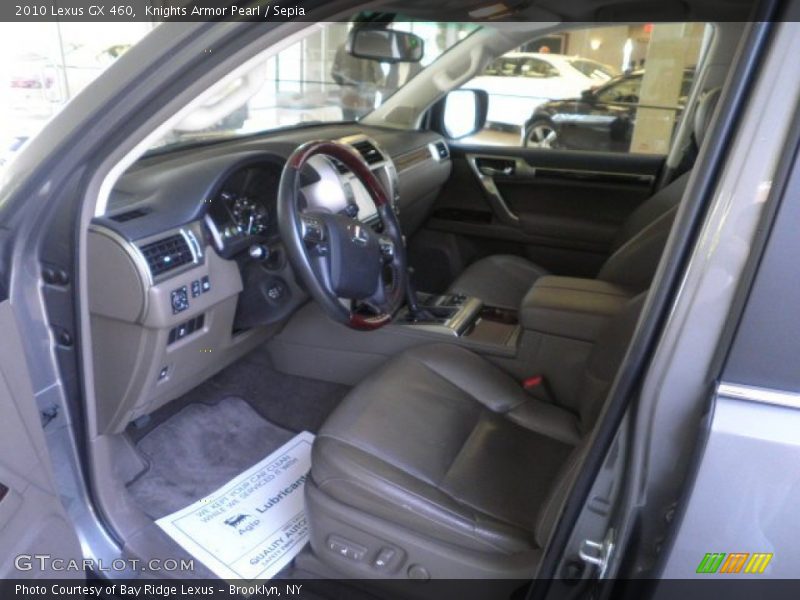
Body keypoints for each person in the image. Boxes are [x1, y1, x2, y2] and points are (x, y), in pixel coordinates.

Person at [331, 41, 384, 120]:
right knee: (365, 122)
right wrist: (376, 87)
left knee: (348, 123)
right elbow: (379, 75)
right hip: (366, 94)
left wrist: (343, 85)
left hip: (347, 92)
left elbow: (334, 72)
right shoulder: (371, 49)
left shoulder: (341, 47)